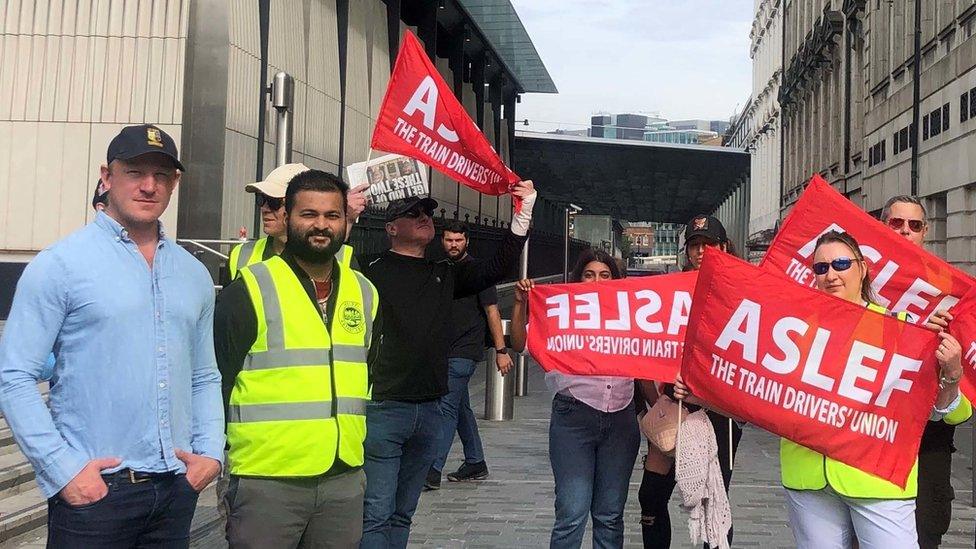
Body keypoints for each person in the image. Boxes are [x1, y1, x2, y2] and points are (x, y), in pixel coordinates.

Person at [0, 124, 224, 547]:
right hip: (95, 493)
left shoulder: (193, 274)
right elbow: (14, 376)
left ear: (175, 183)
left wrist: (211, 452)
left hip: (176, 487)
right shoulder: (61, 265)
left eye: (162, 175)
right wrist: (63, 469)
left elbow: (204, 376)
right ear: (107, 176)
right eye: (135, 171)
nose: (148, 185)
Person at [687, 229, 961, 548]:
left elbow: (948, 414)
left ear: (863, 268)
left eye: (841, 264)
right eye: (821, 267)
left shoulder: (904, 328)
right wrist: (700, 388)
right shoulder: (793, 329)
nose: (831, 274)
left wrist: (952, 375)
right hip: (808, 480)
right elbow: (756, 401)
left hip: (878, 482)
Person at [359, 181, 537, 549]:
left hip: (430, 408)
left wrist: (524, 211)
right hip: (384, 406)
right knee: (376, 512)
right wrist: (347, 212)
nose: (425, 218)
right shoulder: (367, 270)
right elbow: (324, 259)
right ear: (391, 227)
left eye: (427, 213)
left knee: (403, 511)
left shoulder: (443, 272)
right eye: (413, 214)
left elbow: (494, 270)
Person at [214, 169, 379, 548]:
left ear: (345, 222)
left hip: (343, 478)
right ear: (288, 217)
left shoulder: (365, 293)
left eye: (332, 216)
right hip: (267, 479)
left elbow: (370, 370)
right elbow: (218, 378)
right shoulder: (250, 288)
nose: (321, 225)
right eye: (309, 214)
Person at [510, 249, 641, 549]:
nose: (597, 281)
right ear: (578, 279)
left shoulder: (632, 315)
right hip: (574, 419)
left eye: (605, 275)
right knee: (572, 511)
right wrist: (520, 304)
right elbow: (520, 343)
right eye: (589, 274)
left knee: (610, 516)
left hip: (621, 418)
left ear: (617, 281)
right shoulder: (564, 312)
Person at [639, 215, 742, 549]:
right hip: (674, 407)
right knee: (650, 497)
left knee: (714, 503)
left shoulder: (739, 294)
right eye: (695, 245)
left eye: (708, 244)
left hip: (718, 415)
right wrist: (655, 396)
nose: (701, 252)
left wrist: (705, 391)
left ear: (724, 247)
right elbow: (648, 343)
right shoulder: (672, 290)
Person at [880, 195, 972, 549]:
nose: (905, 231)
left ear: (925, 232)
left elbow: (960, 406)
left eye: (914, 225)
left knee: (927, 530)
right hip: (875, 432)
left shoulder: (949, 288)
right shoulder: (857, 280)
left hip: (930, 444)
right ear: (882, 225)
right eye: (896, 223)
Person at [424, 221, 514, 491]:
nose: (453, 245)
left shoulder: (478, 272)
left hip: (464, 352)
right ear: (443, 241)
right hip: (443, 350)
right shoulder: (439, 269)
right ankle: (476, 462)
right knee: (460, 407)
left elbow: (492, 312)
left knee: (446, 409)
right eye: (449, 240)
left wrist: (501, 351)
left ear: (467, 241)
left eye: (458, 240)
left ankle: (432, 470)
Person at [225, 163, 367, 283]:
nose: (264, 208)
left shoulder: (344, 258)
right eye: (261, 199)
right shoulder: (240, 255)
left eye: (273, 202)